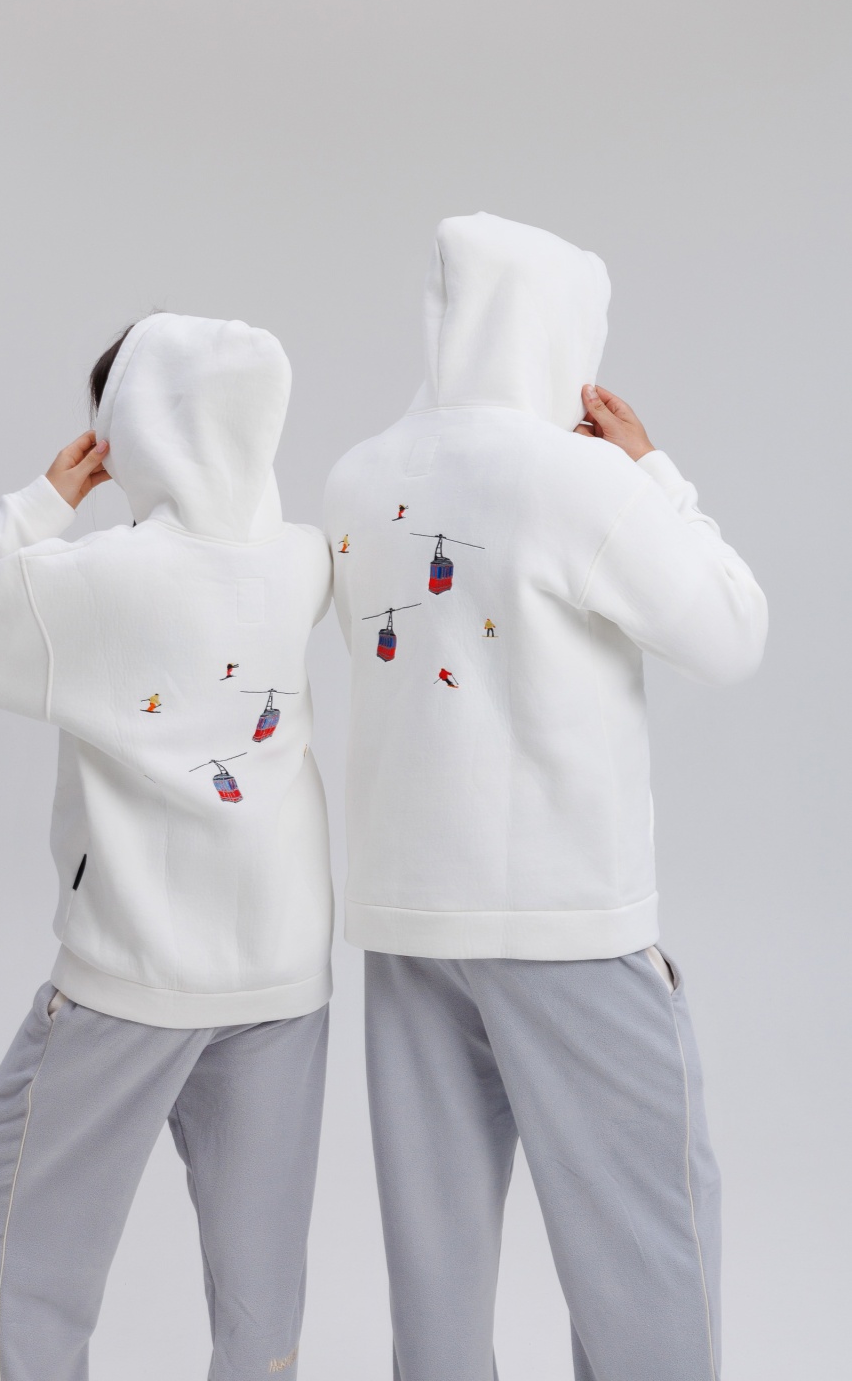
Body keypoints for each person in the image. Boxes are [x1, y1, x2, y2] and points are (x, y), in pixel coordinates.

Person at [324, 212, 767, 1381]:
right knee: (646, 1256)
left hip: (407, 918)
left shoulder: (355, 477)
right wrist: (653, 473)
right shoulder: (578, 480)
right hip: (561, 916)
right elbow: (730, 631)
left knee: (435, 1279)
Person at [0, 313, 334, 1381]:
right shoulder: (303, 560)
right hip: (285, 973)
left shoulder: (96, 577)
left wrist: (41, 501)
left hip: (136, 975)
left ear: (130, 427)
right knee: (260, 1296)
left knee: (1, 1238)